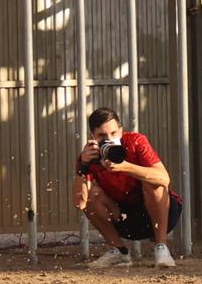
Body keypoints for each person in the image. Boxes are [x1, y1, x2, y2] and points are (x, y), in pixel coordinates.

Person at [74, 107, 179, 269]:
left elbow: (164, 179)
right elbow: (79, 203)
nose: (109, 139)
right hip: (124, 219)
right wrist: (83, 167)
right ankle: (119, 252)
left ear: (121, 132)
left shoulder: (135, 142)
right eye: (102, 135)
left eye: (114, 133)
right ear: (92, 137)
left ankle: (161, 248)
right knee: (91, 193)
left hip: (162, 214)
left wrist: (125, 166)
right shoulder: (90, 157)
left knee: (152, 182)